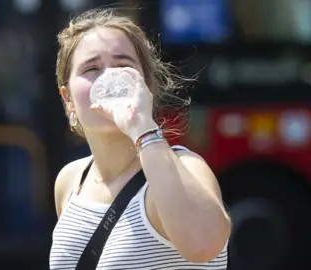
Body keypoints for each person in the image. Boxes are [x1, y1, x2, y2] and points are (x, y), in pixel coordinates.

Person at [50, 8, 230, 270]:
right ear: (68, 99)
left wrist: (142, 128)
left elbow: (204, 245)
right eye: (91, 68)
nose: (110, 79)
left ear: (147, 87)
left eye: (123, 65)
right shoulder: (70, 180)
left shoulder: (186, 168)